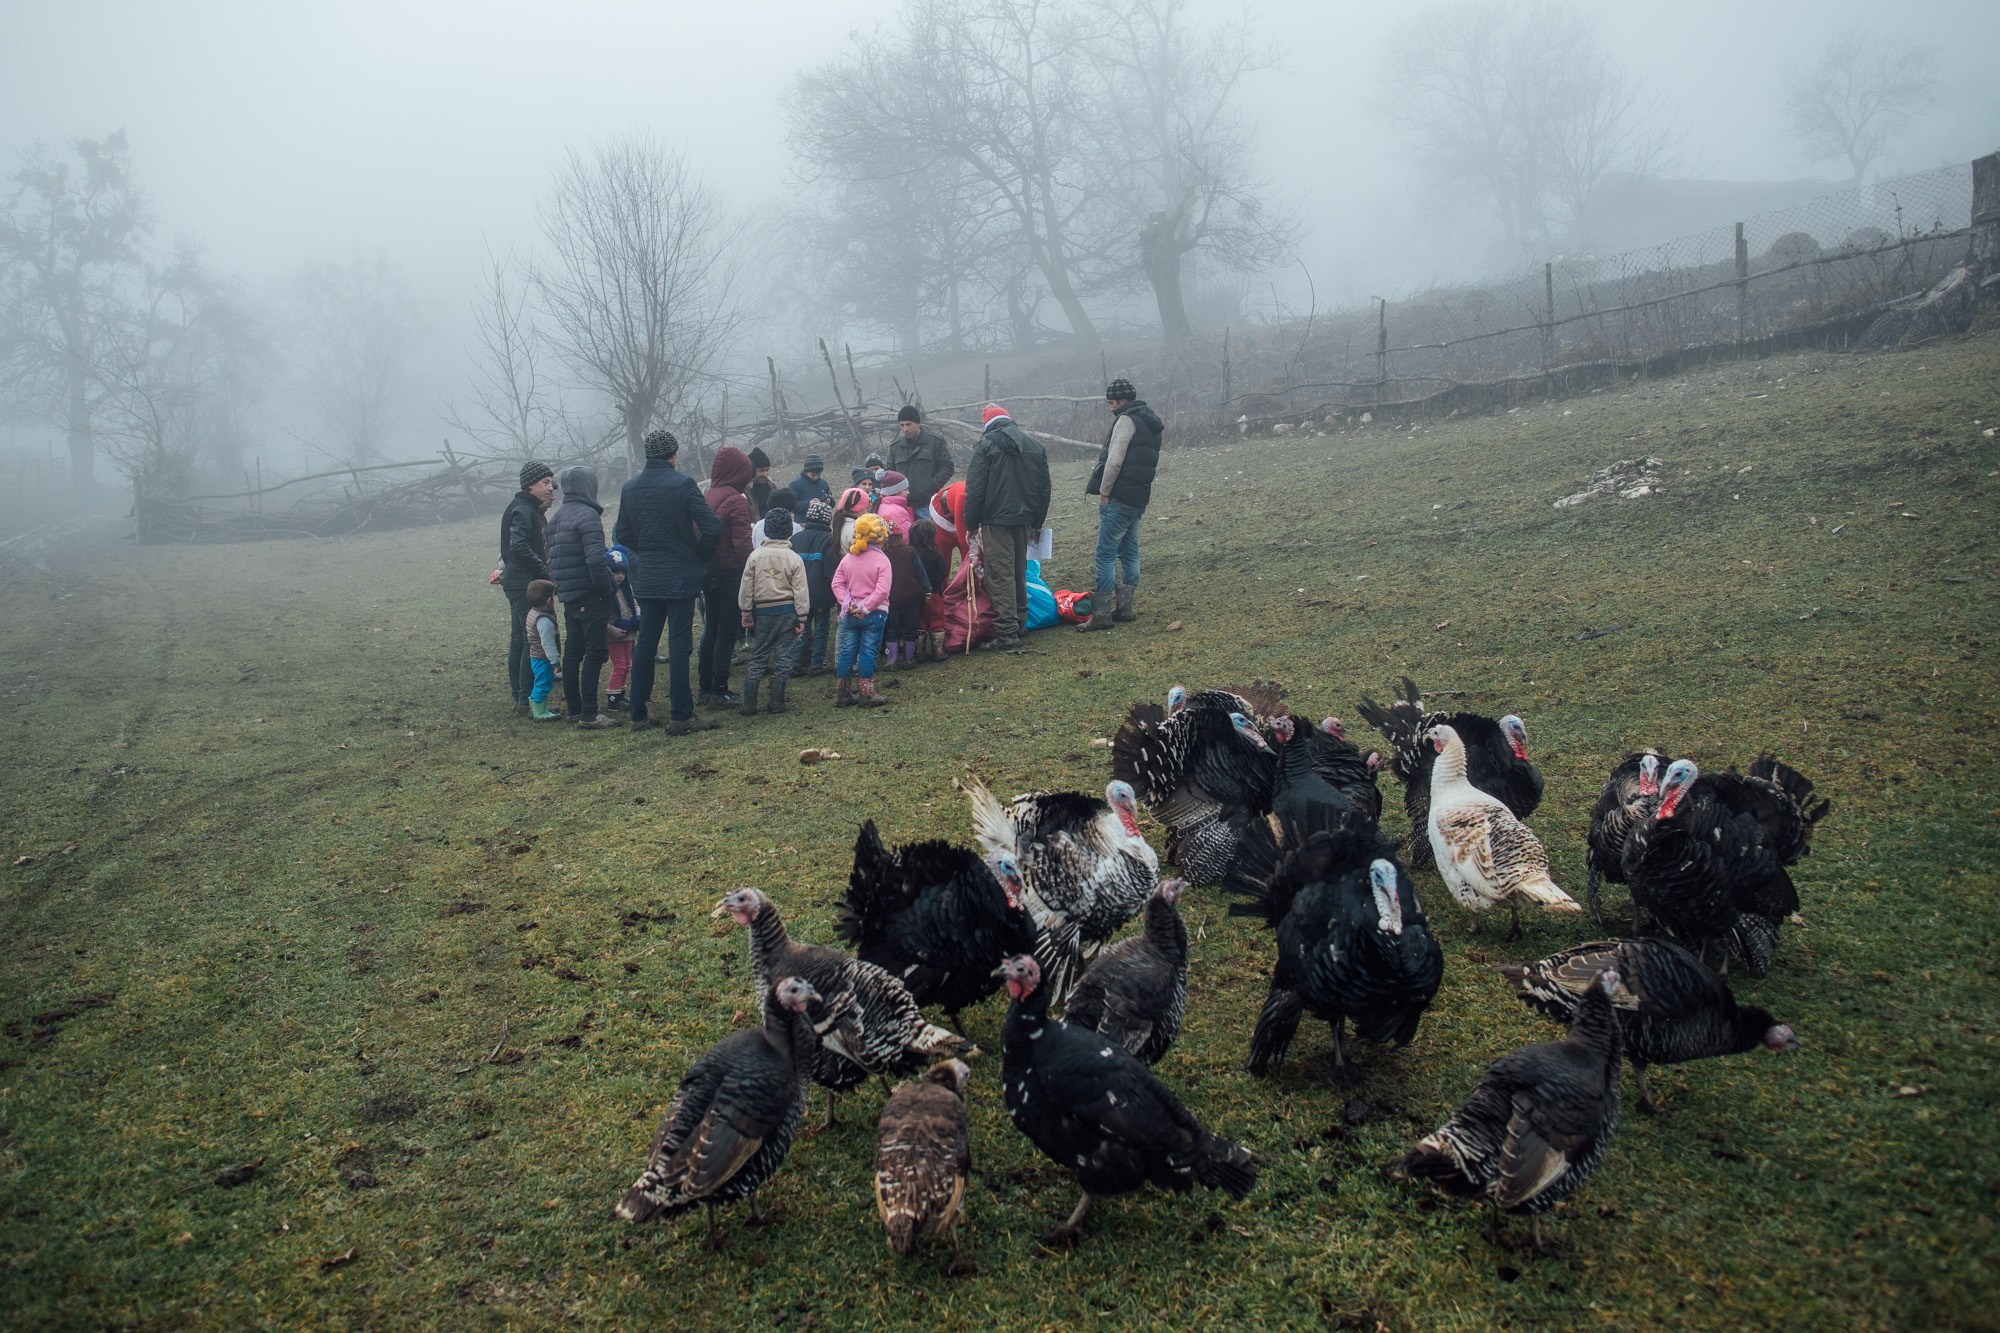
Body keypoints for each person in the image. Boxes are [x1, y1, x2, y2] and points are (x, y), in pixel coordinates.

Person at [613, 428, 722, 735]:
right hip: (680, 574)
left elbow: (622, 534)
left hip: (647, 575)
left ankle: (638, 712)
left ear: (647, 455)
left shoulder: (630, 487)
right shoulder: (683, 484)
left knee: (646, 643)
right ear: (674, 455)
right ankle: (681, 715)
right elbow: (712, 527)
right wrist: (695, 553)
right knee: (679, 643)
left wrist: (647, 550)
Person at [1077, 377, 1164, 633]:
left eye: (1112, 402)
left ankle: (1102, 615)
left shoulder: (1126, 421)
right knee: (1130, 551)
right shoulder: (1150, 421)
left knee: (1104, 553)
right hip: (1139, 496)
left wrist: (1104, 492)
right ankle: (1125, 609)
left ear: (1123, 401)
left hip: (1120, 496)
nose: (1109, 408)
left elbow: (1114, 461)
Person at [962, 403, 1051, 651]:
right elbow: (1045, 489)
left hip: (995, 521)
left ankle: (1006, 633)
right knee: (1018, 571)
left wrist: (970, 523)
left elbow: (975, 489)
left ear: (987, 424)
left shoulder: (985, 445)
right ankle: (1020, 623)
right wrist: (1037, 522)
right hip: (1024, 520)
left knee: (1000, 574)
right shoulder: (1034, 445)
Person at [547, 465, 619, 728]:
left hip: (569, 595)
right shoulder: (588, 516)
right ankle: (589, 713)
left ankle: (575, 708)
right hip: (589, 594)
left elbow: (554, 561)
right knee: (596, 651)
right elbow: (596, 561)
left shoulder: (557, 518)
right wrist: (608, 589)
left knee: (574, 651)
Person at [736, 505, 810, 716]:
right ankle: (776, 702)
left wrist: (746, 612)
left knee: (759, 655)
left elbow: (746, 586)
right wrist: (802, 616)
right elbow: (801, 590)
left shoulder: (755, 556)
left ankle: (749, 703)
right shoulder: (794, 558)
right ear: (789, 531)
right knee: (784, 657)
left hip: (763, 612)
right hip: (787, 612)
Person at [699, 446, 756, 709]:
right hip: (731, 573)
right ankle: (720, 688)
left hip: (709, 572)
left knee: (710, 628)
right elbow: (742, 543)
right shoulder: (736, 499)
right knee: (726, 632)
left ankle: (704, 686)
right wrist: (752, 571)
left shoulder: (707, 494)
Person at [497, 461, 555, 714]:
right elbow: (518, 546)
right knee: (529, 640)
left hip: (517, 580)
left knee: (520, 638)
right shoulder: (523, 509)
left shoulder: (527, 508)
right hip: (522, 582)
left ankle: (519, 695)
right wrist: (542, 570)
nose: (550, 488)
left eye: (551, 482)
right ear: (530, 485)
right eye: (545, 482)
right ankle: (523, 699)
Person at [830, 513, 893, 708]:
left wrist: (847, 603)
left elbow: (837, 583)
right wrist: (866, 608)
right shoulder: (882, 561)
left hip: (850, 613)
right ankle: (867, 693)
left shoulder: (848, 558)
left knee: (848, 651)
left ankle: (844, 693)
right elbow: (882, 590)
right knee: (868, 651)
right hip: (874, 614)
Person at [790, 496, 840, 676]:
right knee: (821, 628)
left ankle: (795, 663)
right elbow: (830, 569)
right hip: (821, 594)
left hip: (799, 593)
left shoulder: (795, 538)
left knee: (801, 628)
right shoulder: (829, 539)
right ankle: (816, 664)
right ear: (828, 520)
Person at [881, 516, 930, 671]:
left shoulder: (882, 555)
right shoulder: (910, 551)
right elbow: (920, 572)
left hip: (892, 598)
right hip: (912, 595)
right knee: (910, 628)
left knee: (893, 629)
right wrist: (927, 589)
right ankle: (909, 659)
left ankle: (892, 660)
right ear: (900, 536)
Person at [887, 405, 954, 518]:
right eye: (902, 425)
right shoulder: (895, 447)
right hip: (901, 506)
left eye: (909, 424)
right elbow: (889, 472)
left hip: (926, 504)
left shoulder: (935, 442)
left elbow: (947, 466)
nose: (905, 429)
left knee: (928, 535)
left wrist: (932, 485)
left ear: (918, 423)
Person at [603, 545, 642, 711]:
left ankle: (620, 693)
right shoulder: (605, 592)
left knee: (627, 665)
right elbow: (602, 619)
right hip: (614, 635)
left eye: (623, 572)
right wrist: (613, 630)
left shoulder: (627, 588)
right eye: (615, 572)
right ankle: (612, 699)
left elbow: (634, 604)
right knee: (619, 666)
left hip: (629, 633)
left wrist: (637, 617)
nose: (620, 576)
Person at [523, 578, 562, 721]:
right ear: (550, 600)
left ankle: (538, 707)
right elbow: (548, 643)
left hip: (535, 655)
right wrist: (555, 662)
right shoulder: (544, 620)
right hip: (543, 658)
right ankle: (539, 713)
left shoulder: (532, 612)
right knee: (544, 682)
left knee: (539, 681)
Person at [875, 470, 915, 536]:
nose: (908, 492)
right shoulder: (897, 512)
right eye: (905, 490)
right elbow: (906, 538)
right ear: (895, 491)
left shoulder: (882, 504)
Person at [746, 447, 776, 517]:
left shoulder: (772, 487)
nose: (765, 474)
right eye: (761, 470)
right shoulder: (743, 492)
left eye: (767, 470)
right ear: (751, 470)